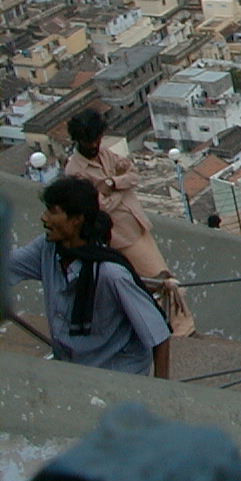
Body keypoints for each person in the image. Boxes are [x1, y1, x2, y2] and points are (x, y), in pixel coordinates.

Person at [7, 176, 171, 377]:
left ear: (77, 219)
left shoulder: (110, 273)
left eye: (53, 212)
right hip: (73, 367)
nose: (44, 218)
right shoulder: (47, 249)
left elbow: (159, 335)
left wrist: (163, 393)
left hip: (116, 372)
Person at [64, 109, 193, 337]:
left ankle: (177, 328)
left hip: (137, 224)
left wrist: (112, 183)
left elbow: (133, 176)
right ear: (78, 140)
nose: (94, 144)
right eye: (89, 140)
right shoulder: (75, 171)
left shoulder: (104, 154)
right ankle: (183, 333)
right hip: (120, 237)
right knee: (165, 282)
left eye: (97, 139)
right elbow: (97, 207)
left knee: (161, 280)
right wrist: (120, 189)